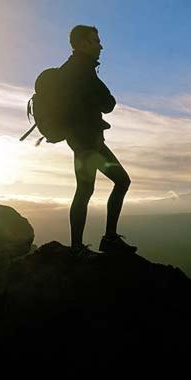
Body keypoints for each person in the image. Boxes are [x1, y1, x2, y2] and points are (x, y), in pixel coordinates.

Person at [61, 25, 137, 255]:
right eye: (96, 41)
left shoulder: (70, 69)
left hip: (81, 142)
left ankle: (79, 246)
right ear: (83, 44)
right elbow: (108, 103)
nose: (101, 46)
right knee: (119, 182)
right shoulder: (83, 70)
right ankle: (106, 240)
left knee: (84, 190)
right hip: (89, 144)